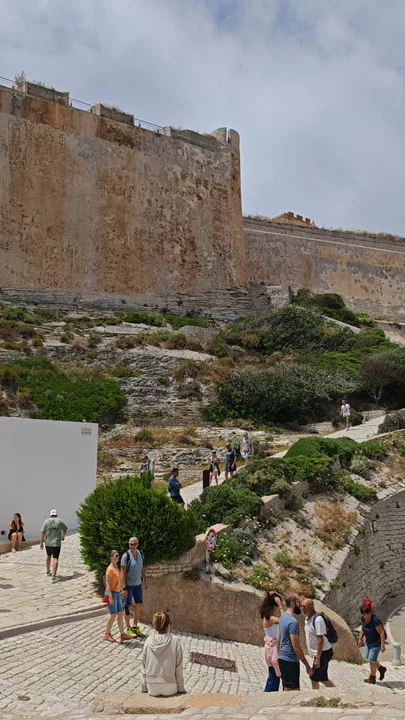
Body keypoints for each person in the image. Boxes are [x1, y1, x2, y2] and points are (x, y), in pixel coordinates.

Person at [141, 611, 185, 697]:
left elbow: (143, 665)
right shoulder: (175, 641)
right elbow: (179, 667)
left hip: (152, 686)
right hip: (170, 686)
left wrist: (144, 687)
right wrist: (181, 688)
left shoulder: (148, 640)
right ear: (168, 625)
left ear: (155, 625)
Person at [276, 592, 312, 691]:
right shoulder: (293, 622)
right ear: (292, 603)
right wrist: (307, 665)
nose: (300, 605)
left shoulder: (282, 617)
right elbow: (296, 646)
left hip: (282, 658)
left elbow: (278, 639)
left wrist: (278, 656)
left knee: (286, 689)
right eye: (298, 602)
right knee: (293, 691)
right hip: (290, 661)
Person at [302, 598, 335, 690]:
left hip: (323, 653)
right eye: (302, 606)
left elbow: (320, 640)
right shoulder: (307, 619)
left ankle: (315, 695)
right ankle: (335, 691)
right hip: (320, 653)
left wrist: (318, 659)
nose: (302, 609)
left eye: (304, 607)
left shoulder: (318, 620)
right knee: (323, 678)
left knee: (314, 677)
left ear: (311, 607)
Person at [103, 550, 132, 643]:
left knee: (120, 613)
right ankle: (106, 634)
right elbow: (107, 584)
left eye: (118, 556)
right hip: (111, 593)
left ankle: (122, 634)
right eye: (116, 556)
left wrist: (123, 588)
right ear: (111, 557)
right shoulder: (110, 569)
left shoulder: (116, 567)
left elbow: (119, 580)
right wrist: (110, 597)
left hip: (117, 593)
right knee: (113, 614)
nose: (118, 557)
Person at [121, 536, 148, 638]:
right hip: (128, 586)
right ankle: (128, 628)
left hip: (137, 585)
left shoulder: (140, 553)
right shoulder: (126, 556)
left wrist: (145, 579)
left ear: (138, 544)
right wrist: (124, 588)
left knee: (139, 604)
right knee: (127, 606)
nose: (133, 546)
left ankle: (135, 625)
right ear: (129, 545)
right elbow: (122, 573)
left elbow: (141, 567)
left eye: (134, 544)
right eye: (131, 544)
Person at [357, 597, 387, 684]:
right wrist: (360, 639)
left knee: (371, 661)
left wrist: (382, 645)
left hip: (376, 644)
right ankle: (381, 668)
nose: (364, 617)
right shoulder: (363, 619)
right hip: (368, 642)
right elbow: (363, 629)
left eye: (365, 615)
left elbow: (381, 632)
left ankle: (372, 678)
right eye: (363, 615)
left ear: (369, 613)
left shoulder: (375, 620)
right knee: (369, 658)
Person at [259, 591, 283, 692]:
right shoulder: (271, 618)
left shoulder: (266, 616)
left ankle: (269, 694)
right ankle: (268, 695)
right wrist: (280, 606)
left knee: (273, 675)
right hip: (273, 649)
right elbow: (286, 620)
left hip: (270, 648)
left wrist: (276, 594)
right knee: (274, 677)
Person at [40, 510, 68, 582]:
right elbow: (65, 529)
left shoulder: (46, 521)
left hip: (48, 543)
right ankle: (54, 577)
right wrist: (63, 536)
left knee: (48, 556)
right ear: (56, 515)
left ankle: (48, 571)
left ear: (50, 515)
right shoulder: (59, 521)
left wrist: (41, 542)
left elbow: (43, 532)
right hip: (56, 543)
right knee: (55, 558)